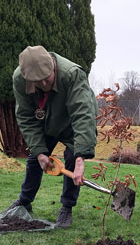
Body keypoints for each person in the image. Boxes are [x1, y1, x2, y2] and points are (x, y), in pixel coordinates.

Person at [7, 45, 97, 228]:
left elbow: (82, 114)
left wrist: (81, 158)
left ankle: (66, 207)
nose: (44, 85)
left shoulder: (72, 74)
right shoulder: (20, 78)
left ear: (52, 65)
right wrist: (40, 151)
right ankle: (24, 201)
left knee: (72, 157)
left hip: (72, 121)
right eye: (38, 81)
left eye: (46, 78)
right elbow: (25, 115)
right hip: (45, 121)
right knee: (35, 158)